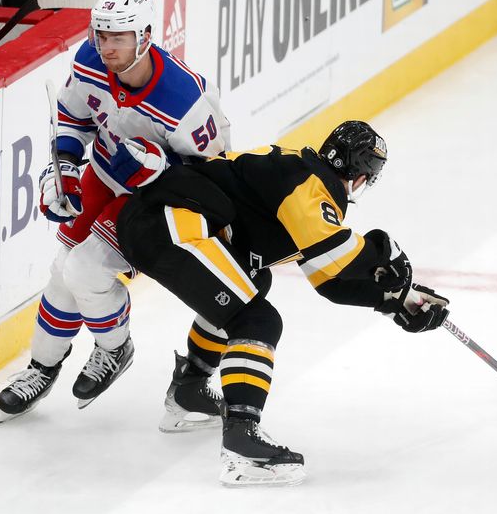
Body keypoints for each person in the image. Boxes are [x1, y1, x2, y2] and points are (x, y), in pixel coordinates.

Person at [116, 120, 450, 486]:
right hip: (169, 223)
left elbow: (330, 281)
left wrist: (395, 300)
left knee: (255, 280)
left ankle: (189, 391)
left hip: (168, 222)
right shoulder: (307, 181)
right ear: (361, 173)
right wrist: (388, 253)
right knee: (257, 320)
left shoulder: (306, 183)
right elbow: (335, 250)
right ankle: (242, 438)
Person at [0, 0, 231, 431]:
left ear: (144, 36)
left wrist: (162, 169)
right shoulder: (89, 60)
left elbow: (215, 175)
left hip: (155, 200)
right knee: (62, 268)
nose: (106, 47)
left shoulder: (184, 101)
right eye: (101, 35)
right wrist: (64, 165)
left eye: (118, 37)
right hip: (103, 175)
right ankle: (42, 369)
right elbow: (73, 115)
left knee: (84, 270)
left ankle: (114, 347)